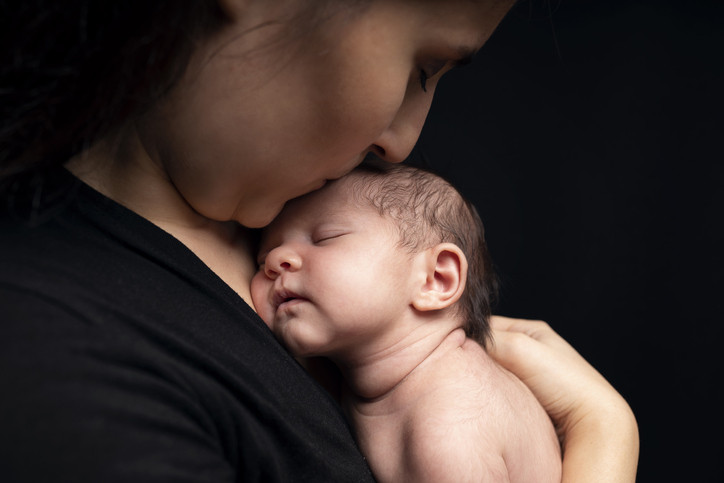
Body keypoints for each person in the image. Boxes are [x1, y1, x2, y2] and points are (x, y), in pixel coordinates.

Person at [0, 1, 638, 482]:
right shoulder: (63, 361)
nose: (402, 141)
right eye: (422, 65)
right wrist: (604, 438)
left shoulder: (321, 244)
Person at [251, 162, 563, 482]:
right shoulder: (365, 381)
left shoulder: (449, 424)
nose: (277, 261)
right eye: (262, 260)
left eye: (325, 238)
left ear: (435, 280)